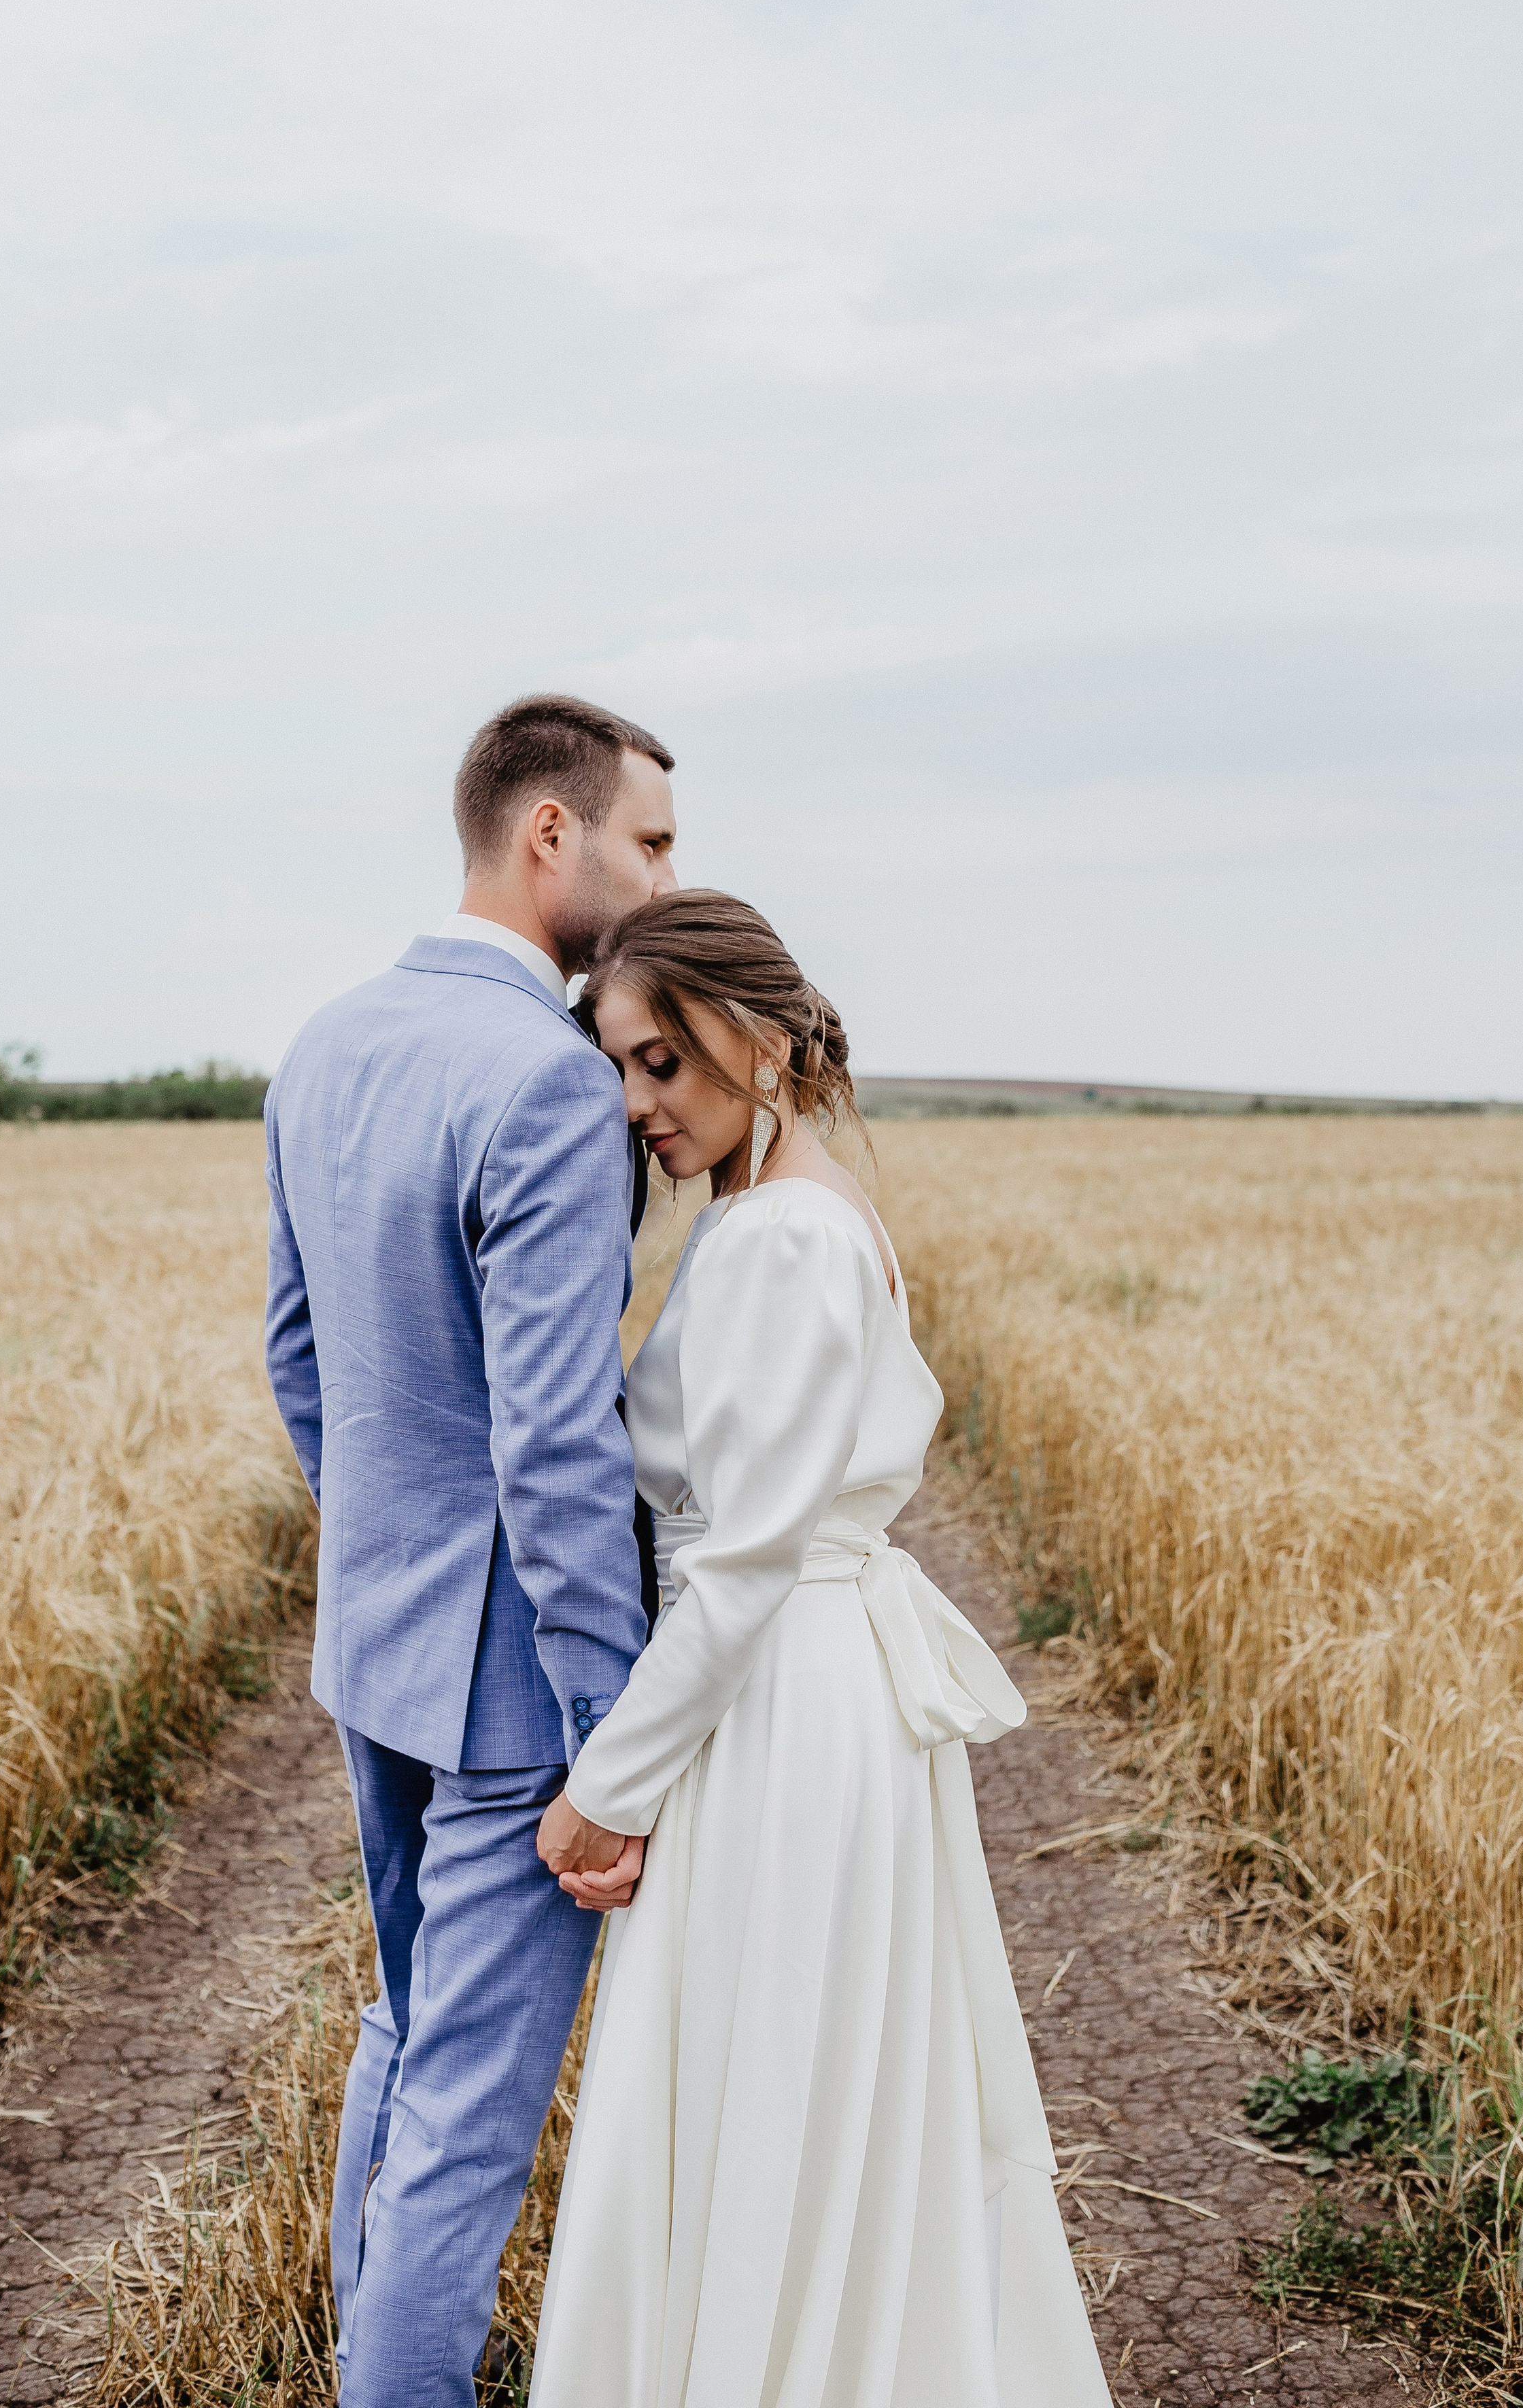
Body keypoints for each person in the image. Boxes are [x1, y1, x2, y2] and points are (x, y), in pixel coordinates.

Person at [528, 890, 1112, 2408]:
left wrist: (611, 1784)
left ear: (762, 1038)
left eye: (663, 1061)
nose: (638, 1104)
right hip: (796, 1688)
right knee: (791, 2074)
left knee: (765, 2074)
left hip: (780, 1701)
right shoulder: (778, 1206)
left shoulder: (783, 1236)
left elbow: (739, 1563)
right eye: (619, 1069)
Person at [262, 694, 678, 2408]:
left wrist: (386, 1560)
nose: (668, 878)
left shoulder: (328, 1043)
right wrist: (615, 1740)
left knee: (404, 2038)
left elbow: (301, 1364)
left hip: (372, 1652)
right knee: (469, 2137)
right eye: (650, 841)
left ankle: (375, 2358)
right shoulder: (543, 1082)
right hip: (517, 1701)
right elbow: (560, 1444)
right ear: (549, 836)